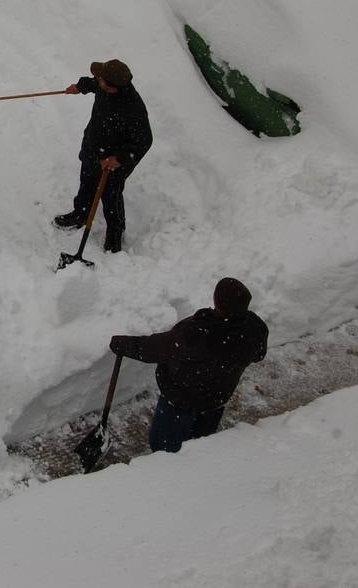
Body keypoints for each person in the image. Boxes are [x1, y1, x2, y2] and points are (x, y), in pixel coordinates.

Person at [110, 277, 269, 453]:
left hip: (180, 400)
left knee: (165, 450)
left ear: (217, 301)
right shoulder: (255, 328)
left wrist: (122, 345)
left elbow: (153, 349)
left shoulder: (197, 333)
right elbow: (259, 354)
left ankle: (169, 471)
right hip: (217, 398)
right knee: (201, 444)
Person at [52, 59, 153, 253]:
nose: (98, 82)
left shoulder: (133, 108)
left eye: (101, 81)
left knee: (111, 196)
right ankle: (80, 214)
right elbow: (93, 82)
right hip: (93, 146)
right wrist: (80, 87)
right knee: (87, 181)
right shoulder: (103, 84)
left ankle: (115, 234)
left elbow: (144, 141)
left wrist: (119, 159)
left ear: (113, 87)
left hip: (114, 161)